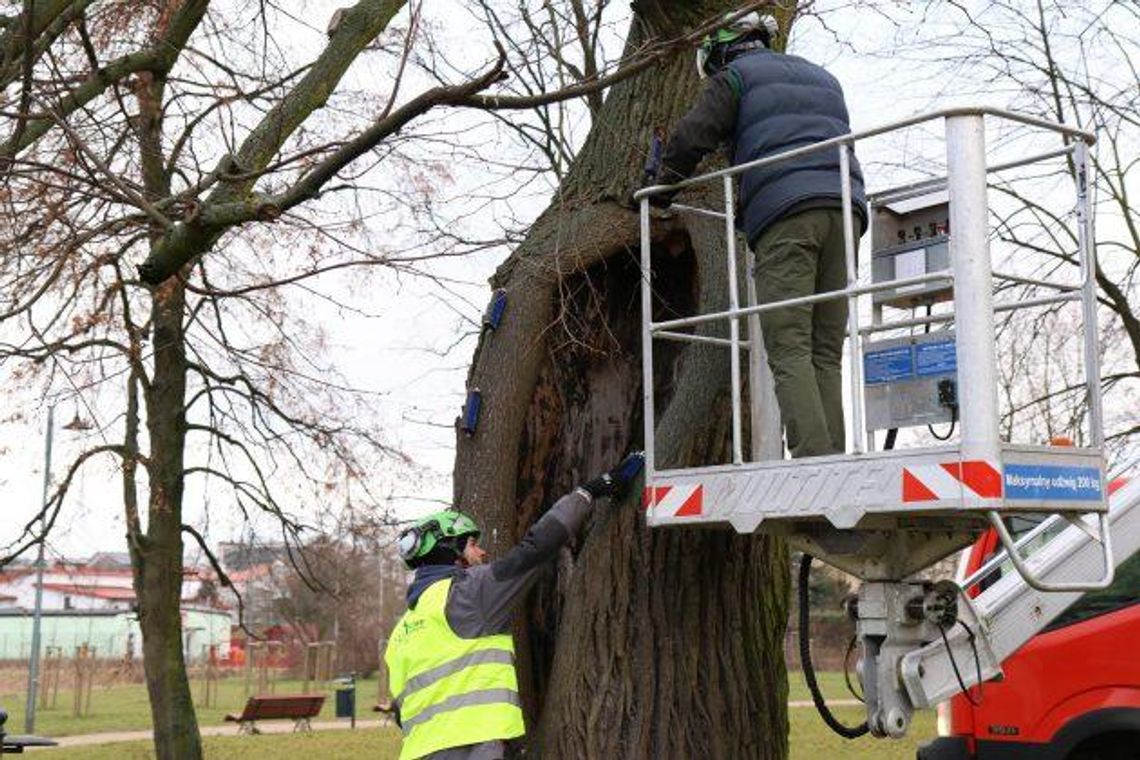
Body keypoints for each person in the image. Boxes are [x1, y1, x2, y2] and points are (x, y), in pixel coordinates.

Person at [646, 12, 868, 458]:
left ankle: (815, 463)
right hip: (846, 210)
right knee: (825, 349)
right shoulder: (824, 78)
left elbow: (694, 136)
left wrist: (660, 188)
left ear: (722, 50)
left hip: (787, 214)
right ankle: (835, 458)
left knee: (789, 347)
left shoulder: (736, 77)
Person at [384, 452, 645, 760]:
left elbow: (402, 711)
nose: (481, 552)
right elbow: (535, 549)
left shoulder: (400, 632)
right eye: (471, 544)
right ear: (449, 551)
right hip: (475, 746)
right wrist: (589, 492)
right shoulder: (469, 594)